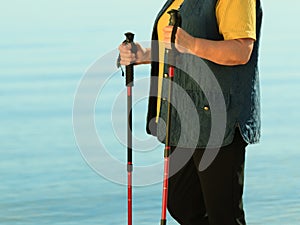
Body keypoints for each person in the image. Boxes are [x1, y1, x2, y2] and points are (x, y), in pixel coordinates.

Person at [118, 0, 262, 224]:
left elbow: (241, 50)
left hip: (219, 119)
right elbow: (175, 45)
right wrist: (143, 54)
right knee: (182, 204)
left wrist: (192, 43)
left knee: (224, 215)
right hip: (183, 117)